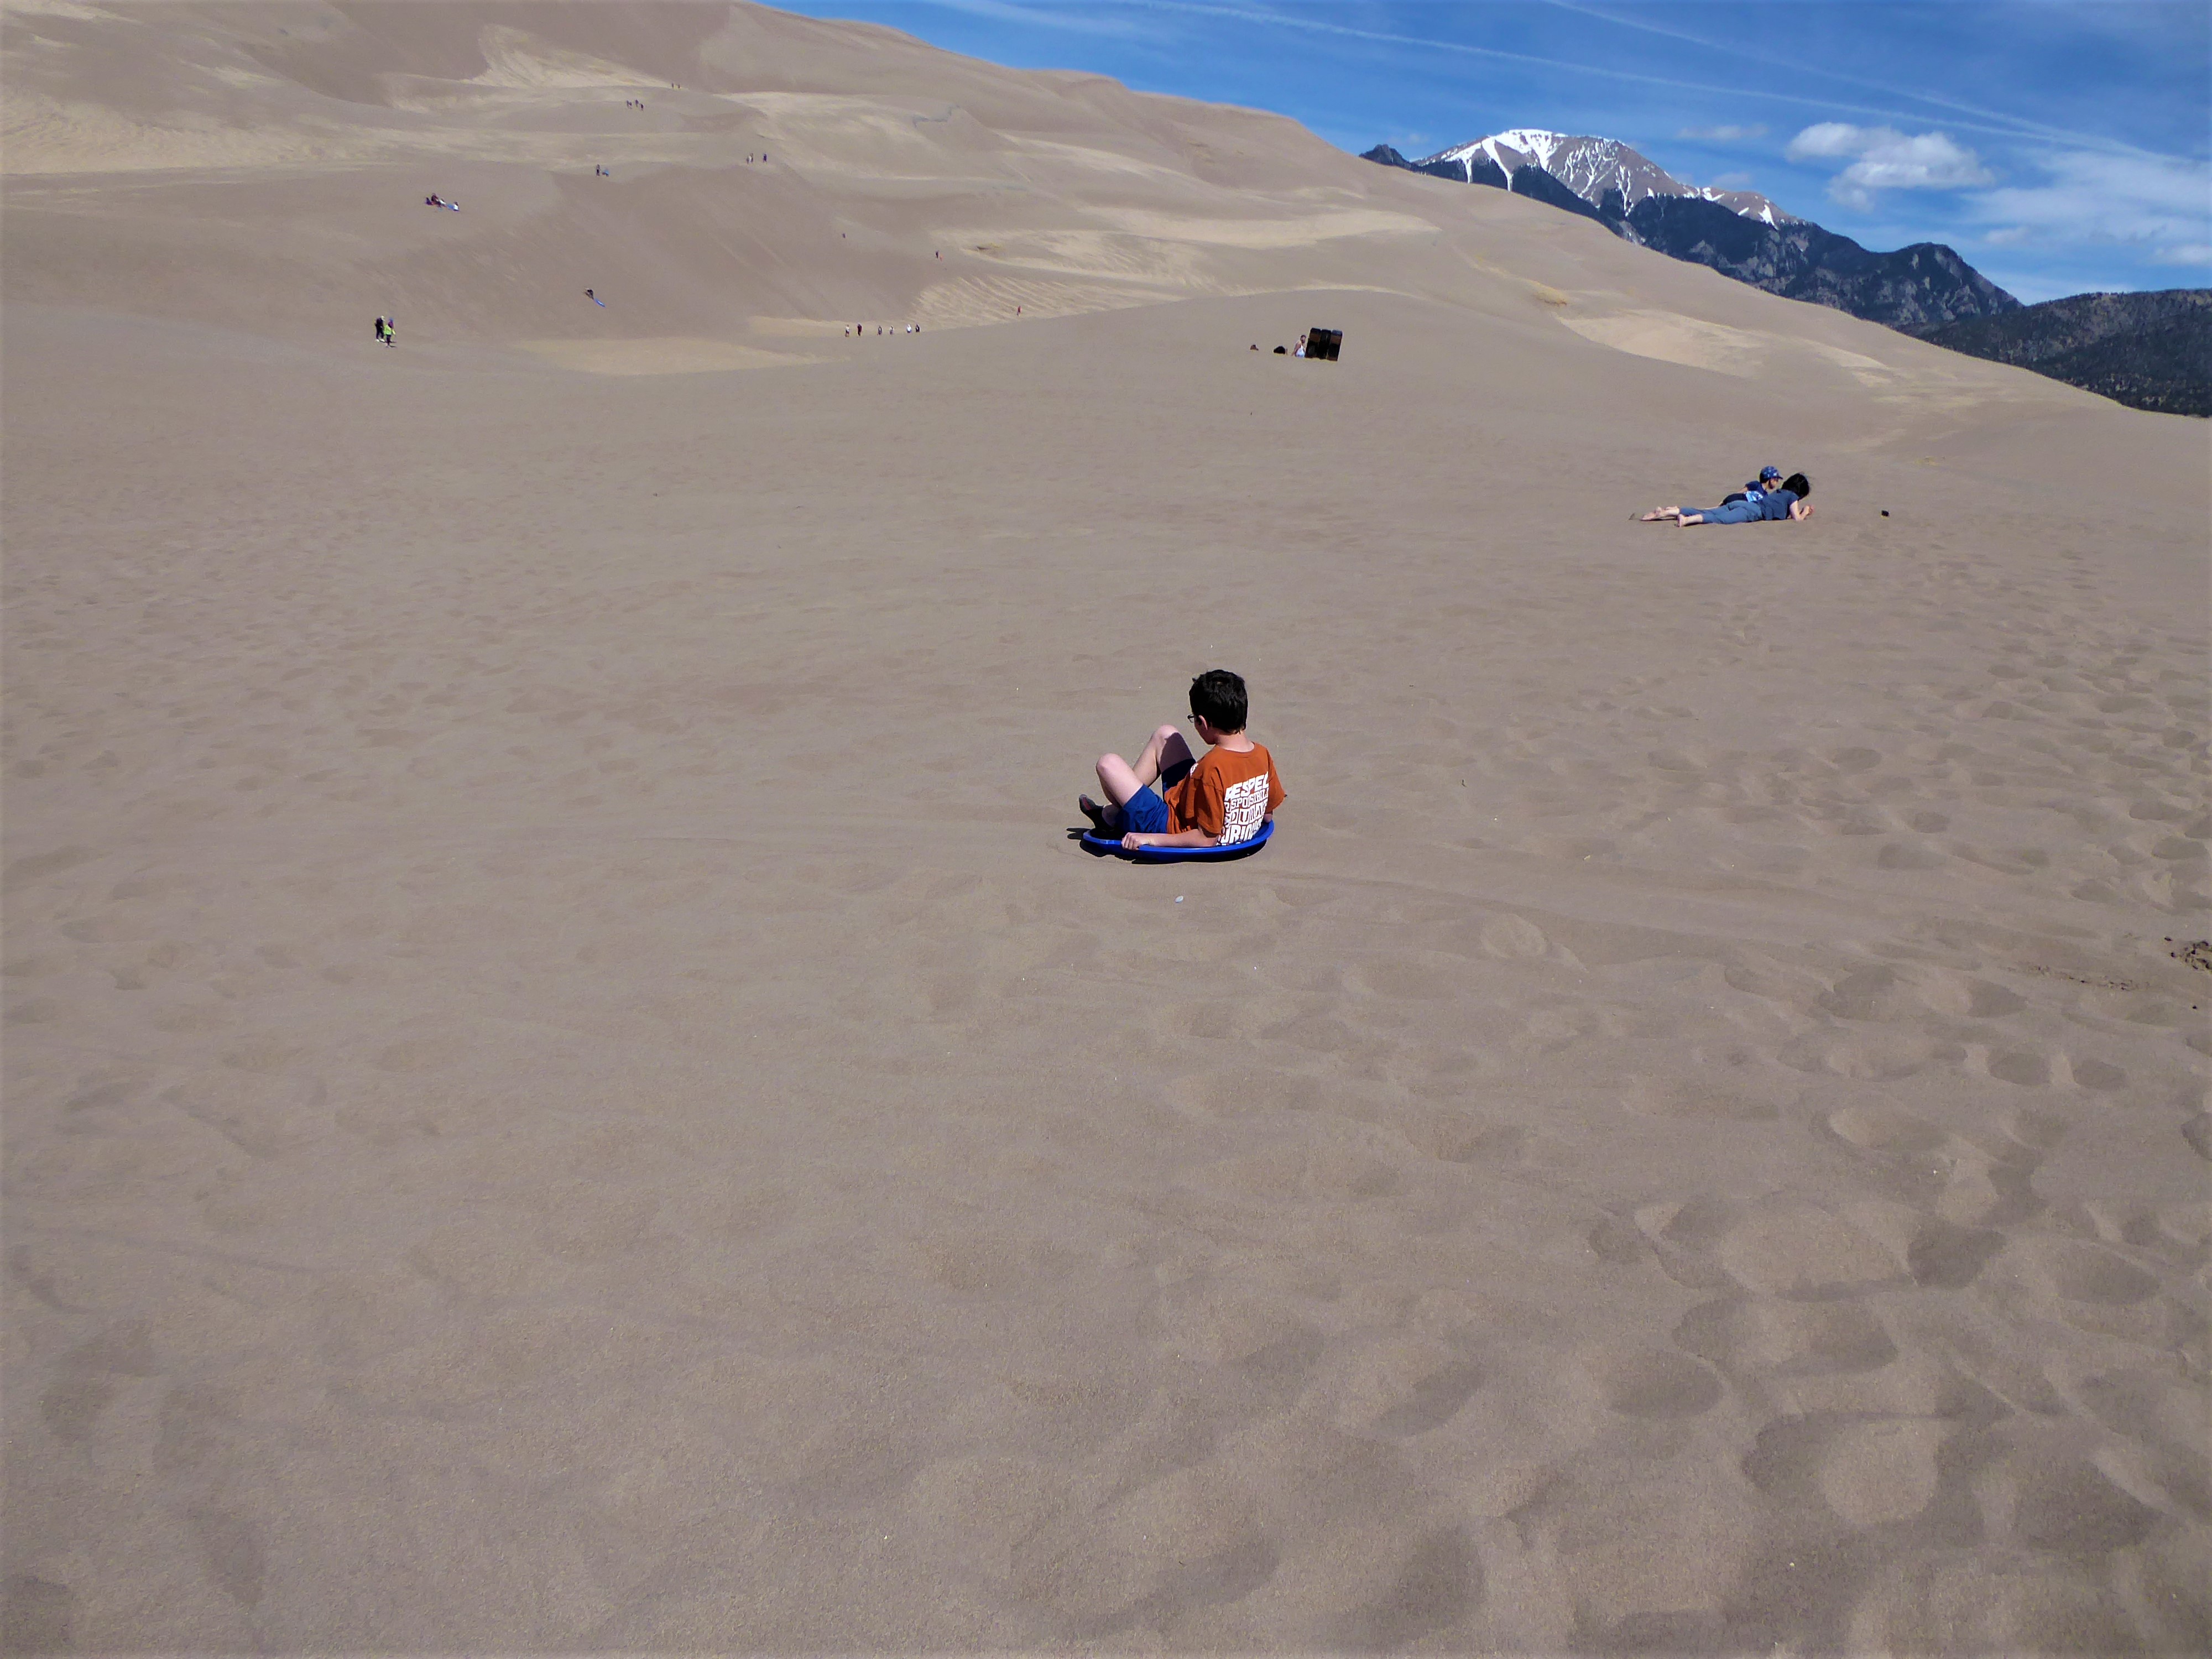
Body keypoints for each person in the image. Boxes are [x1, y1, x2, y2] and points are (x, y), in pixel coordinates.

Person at [1080, 669, 1285, 852]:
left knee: (1107, 764)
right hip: (1188, 804)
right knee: (1166, 735)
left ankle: (1112, 817)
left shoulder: (1212, 767)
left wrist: (1151, 839)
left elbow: (1207, 839)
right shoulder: (1262, 754)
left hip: (1169, 825)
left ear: (1203, 722)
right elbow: (1267, 816)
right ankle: (1117, 812)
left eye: (1194, 719)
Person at [1644, 472, 1812, 526]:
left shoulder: (1779, 493)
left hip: (1742, 503)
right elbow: (1796, 519)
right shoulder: (1792, 497)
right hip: (1753, 512)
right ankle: (1687, 520)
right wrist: (1804, 512)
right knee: (1720, 519)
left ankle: (1670, 511)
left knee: (1712, 511)